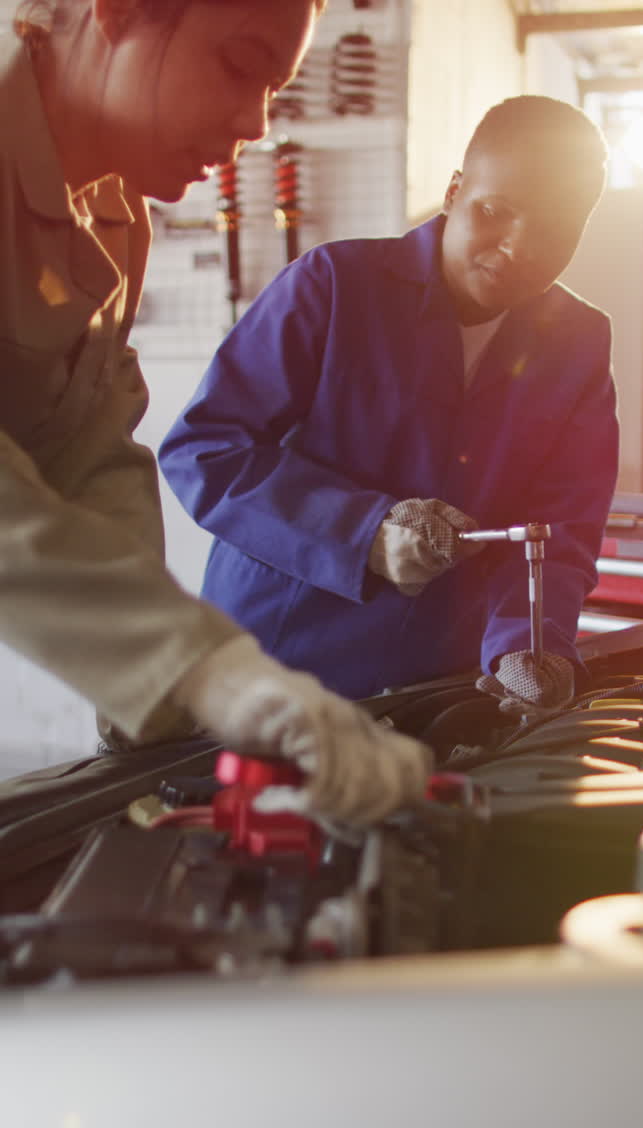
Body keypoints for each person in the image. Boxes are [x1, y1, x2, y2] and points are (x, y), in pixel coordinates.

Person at [0, 0, 430, 826]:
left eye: (273, 90)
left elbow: (90, 453)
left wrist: (162, 719)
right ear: (120, 11)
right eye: (239, 67)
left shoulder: (114, 219)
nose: (255, 124)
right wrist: (208, 670)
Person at [159, 95, 619, 711]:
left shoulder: (577, 343)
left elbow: (561, 526)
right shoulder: (334, 287)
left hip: (439, 686)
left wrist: (528, 644)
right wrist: (363, 532)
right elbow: (206, 451)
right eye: (494, 211)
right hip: (273, 664)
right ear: (453, 191)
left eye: (555, 231)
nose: (518, 247)